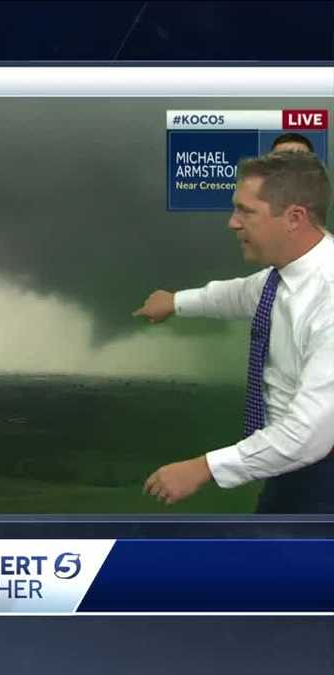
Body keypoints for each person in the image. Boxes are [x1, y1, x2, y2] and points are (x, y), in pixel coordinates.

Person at [133, 151, 334, 513]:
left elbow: (309, 434)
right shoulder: (283, 278)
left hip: (321, 477)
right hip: (291, 469)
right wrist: (174, 301)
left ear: (294, 218)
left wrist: (203, 468)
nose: (232, 223)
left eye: (246, 211)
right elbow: (239, 295)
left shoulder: (329, 298)